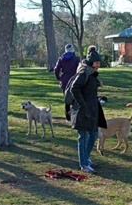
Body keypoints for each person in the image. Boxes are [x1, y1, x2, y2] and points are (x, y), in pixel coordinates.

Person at [70, 46, 106, 174]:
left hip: (91, 110)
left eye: (99, 63)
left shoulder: (91, 74)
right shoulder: (84, 72)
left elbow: (87, 89)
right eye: (97, 63)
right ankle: (83, 165)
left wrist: (97, 85)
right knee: (83, 136)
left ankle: (86, 158)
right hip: (82, 110)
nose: (98, 66)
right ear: (91, 63)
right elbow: (74, 88)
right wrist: (82, 104)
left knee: (93, 135)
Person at [54, 44, 80, 121]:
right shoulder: (75, 59)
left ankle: (68, 117)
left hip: (65, 81)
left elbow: (56, 69)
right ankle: (75, 115)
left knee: (67, 100)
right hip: (74, 80)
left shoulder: (61, 59)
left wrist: (58, 78)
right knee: (76, 99)